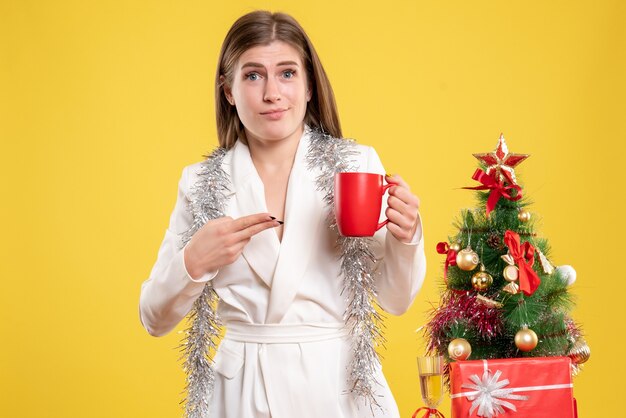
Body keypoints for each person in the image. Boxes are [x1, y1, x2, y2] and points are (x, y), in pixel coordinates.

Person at [139, 10, 426, 418]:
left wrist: (406, 237)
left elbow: (396, 301)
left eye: (287, 73)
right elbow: (153, 317)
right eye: (253, 76)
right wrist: (193, 261)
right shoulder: (201, 182)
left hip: (339, 388)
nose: (272, 93)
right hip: (240, 395)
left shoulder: (356, 166)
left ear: (309, 85)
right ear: (229, 90)